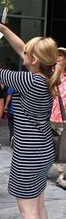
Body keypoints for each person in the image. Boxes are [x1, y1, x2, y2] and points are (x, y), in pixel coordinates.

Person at [0, 22, 62, 219]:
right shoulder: (48, 76)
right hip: (42, 150)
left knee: (27, 209)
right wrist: (4, 29)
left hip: (28, 153)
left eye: (27, 54)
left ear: (35, 60)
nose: (23, 54)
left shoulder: (27, 80)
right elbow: (23, 49)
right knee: (37, 205)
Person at [50, 47, 66, 188]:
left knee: (62, 146)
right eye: (56, 55)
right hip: (48, 115)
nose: (57, 57)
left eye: (60, 55)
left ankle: (61, 176)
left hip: (62, 116)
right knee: (46, 143)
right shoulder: (51, 75)